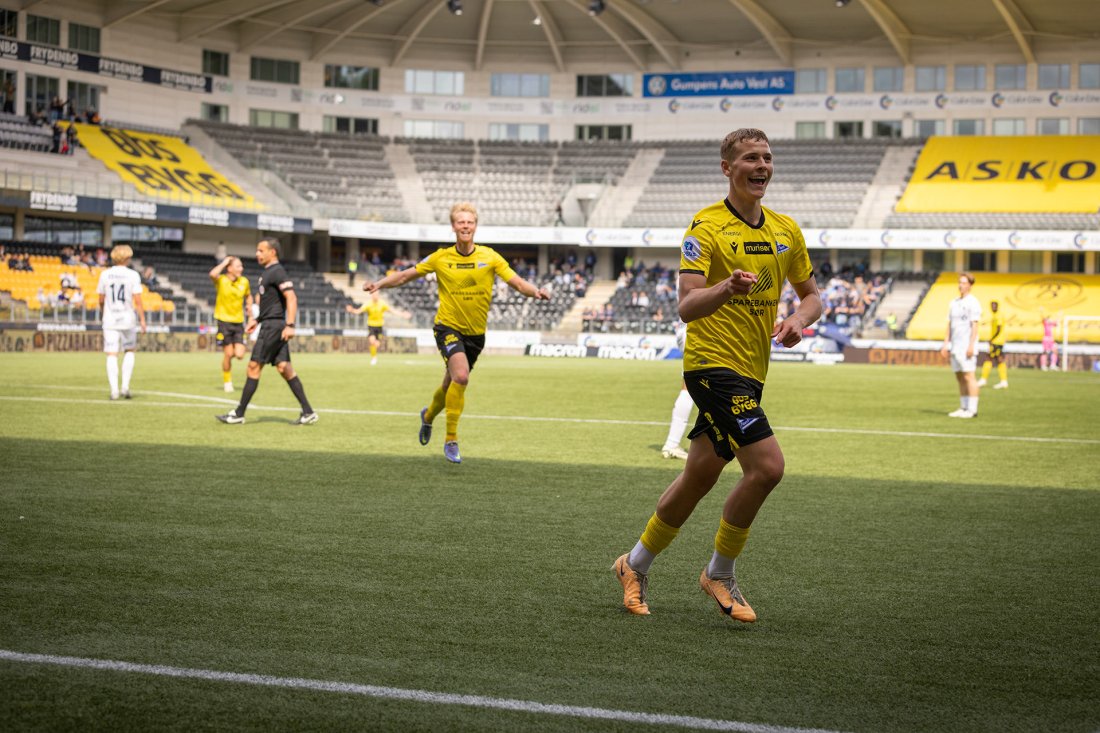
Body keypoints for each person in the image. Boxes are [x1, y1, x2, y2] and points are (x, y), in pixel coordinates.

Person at [612, 128, 821, 622]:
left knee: (700, 474)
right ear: (728, 168)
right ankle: (720, 573)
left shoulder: (786, 230)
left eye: (768, 157)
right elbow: (687, 306)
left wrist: (797, 320)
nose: (762, 165)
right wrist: (726, 288)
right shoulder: (704, 228)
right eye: (751, 157)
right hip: (711, 366)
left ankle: (633, 564)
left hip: (751, 371)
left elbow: (812, 297)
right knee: (767, 467)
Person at [362, 202, 549, 464]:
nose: (465, 226)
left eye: (469, 222)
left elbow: (517, 283)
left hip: (475, 335)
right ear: (453, 226)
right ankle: (451, 439)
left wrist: (536, 291)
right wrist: (378, 284)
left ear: (475, 226)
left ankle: (427, 417)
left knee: (449, 384)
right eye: (460, 222)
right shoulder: (441, 257)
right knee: (460, 376)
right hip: (447, 327)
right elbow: (405, 275)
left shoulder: (490, 256)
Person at [216, 238, 318, 426]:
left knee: (253, 367)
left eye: (261, 250)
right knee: (284, 368)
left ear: (273, 252)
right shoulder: (268, 273)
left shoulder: (277, 271)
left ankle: (239, 413)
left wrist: (290, 325)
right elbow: (273, 304)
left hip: (274, 328)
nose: (257, 254)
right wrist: (257, 319)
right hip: (270, 324)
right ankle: (308, 411)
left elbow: (292, 298)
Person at [96, 245, 147, 400]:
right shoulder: (132, 275)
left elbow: (101, 298)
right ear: (126, 258)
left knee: (111, 354)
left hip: (110, 319)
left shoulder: (105, 274)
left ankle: (114, 391)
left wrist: (103, 311)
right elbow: (138, 301)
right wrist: (143, 320)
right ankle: (125, 386)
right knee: (129, 350)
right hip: (127, 319)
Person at [209, 255, 254, 392]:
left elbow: (248, 296)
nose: (241, 268)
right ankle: (227, 381)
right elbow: (212, 274)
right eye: (238, 266)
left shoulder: (244, 282)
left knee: (240, 355)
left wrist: (250, 311)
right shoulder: (221, 280)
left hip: (238, 322)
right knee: (228, 354)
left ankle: (230, 355)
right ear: (229, 268)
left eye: (241, 266)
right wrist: (224, 262)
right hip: (224, 321)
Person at [940, 273, 981, 418]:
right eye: (959, 282)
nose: (960, 285)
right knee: (959, 376)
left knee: (969, 376)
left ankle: (972, 409)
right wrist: (946, 344)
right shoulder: (954, 302)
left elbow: (974, 326)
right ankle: (963, 407)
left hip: (966, 346)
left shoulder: (973, 302)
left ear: (970, 285)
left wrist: (971, 345)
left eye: (963, 283)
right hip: (955, 346)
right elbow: (949, 324)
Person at [659, 319, 692, 460]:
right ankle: (672, 444)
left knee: (689, 387)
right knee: (690, 389)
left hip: (686, 329)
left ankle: (672, 444)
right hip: (697, 330)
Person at [345, 291, 400, 366]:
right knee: (372, 341)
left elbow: (391, 311)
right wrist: (352, 310)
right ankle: (374, 358)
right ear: (371, 296)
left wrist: (402, 314)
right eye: (374, 294)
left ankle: (374, 356)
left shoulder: (382, 304)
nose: (375, 296)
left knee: (376, 344)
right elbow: (359, 311)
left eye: (377, 294)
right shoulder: (368, 304)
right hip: (371, 326)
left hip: (379, 326)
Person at [977, 300, 1008, 389]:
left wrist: (992, 339)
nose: (993, 307)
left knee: (989, 358)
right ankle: (1003, 381)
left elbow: (999, 328)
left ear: (997, 306)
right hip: (998, 341)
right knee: (999, 360)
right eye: (992, 306)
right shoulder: (995, 315)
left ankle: (984, 379)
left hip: (997, 341)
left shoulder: (998, 316)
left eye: (994, 306)